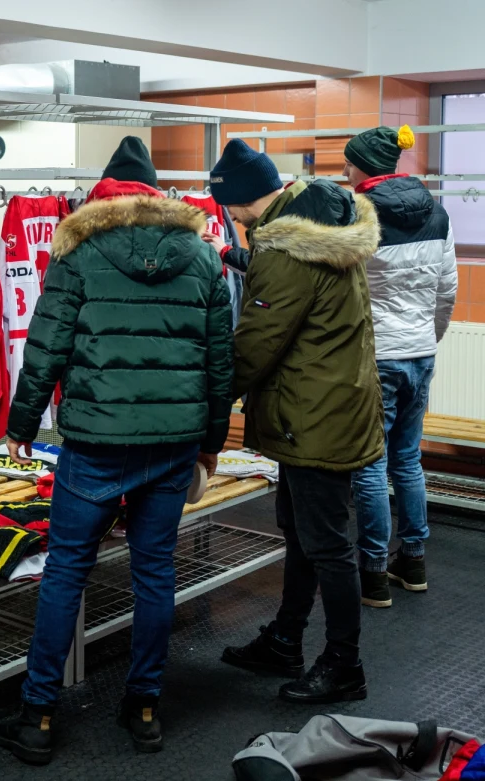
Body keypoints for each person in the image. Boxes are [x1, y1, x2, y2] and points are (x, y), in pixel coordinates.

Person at [0, 136, 233, 763]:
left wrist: (20, 426)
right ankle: (145, 707)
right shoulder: (203, 258)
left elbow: (44, 347)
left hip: (95, 441)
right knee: (155, 573)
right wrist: (209, 444)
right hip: (173, 444)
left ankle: (39, 715)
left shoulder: (77, 253)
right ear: (157, 196)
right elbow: (219, 363)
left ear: (102, 196)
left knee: (66, 570)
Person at [209, 140, 384, 704]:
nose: (226, 216)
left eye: (225, 205)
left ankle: (343, 664)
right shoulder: (315, 219)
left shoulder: (285, 249)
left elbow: (259, 341)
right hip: (325, 402)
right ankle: (286, 638)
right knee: (303, 533)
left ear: (237, 200)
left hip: (315, 414)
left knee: (326, 544)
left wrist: (210, 400)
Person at [343, 126, 458, 608]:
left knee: (369, 465)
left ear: (365, 165)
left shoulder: (357, 215)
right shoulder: (437, 212)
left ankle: (371, 572)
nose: (345, 170)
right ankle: (411, 561)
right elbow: (446, 290)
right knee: (407, 459)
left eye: (349, 162)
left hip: (376, 356)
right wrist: (426, 340)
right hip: (419, 353)